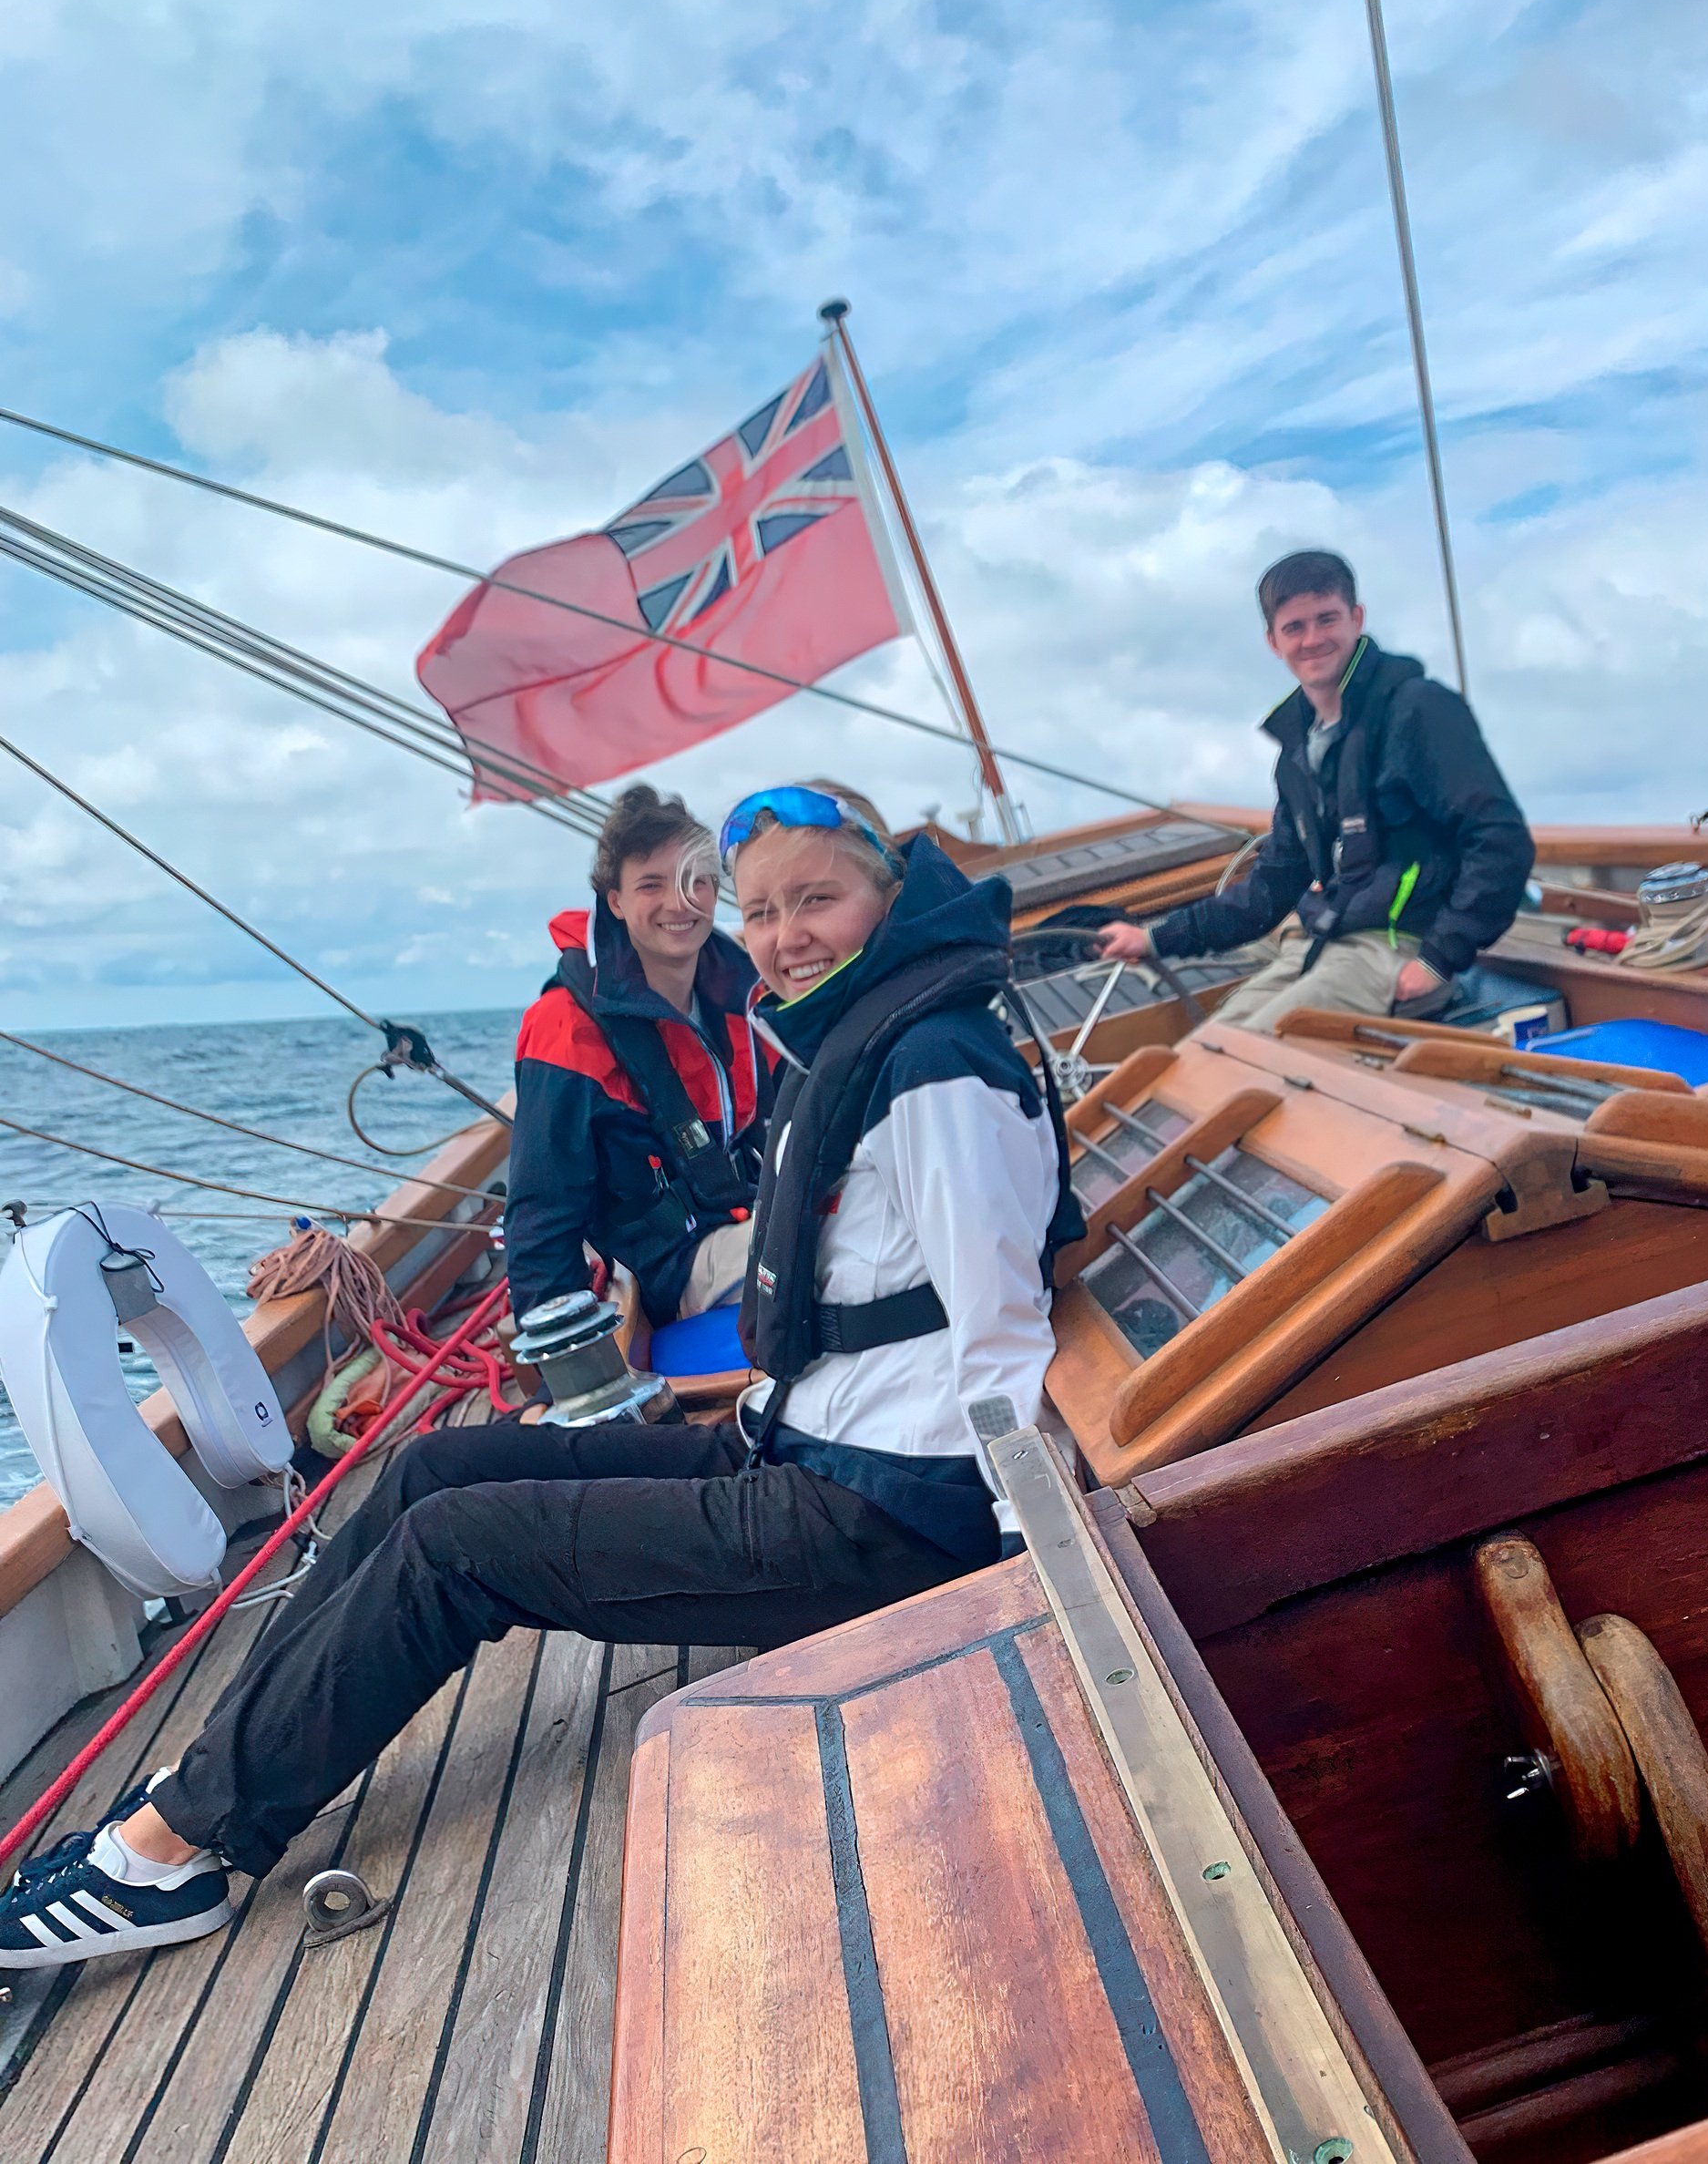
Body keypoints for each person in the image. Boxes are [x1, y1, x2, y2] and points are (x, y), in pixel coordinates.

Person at [0, 785, 1076, 1970]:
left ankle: (173, 1853)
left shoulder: (935, 1072)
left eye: (817, 898)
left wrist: (1023, 1573)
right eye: (763, 910)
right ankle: (211, 1772)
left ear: (889, 889)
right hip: (796, 1439)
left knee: (456, 1549)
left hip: (883, 1514)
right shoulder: (865, 1035)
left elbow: (1000, 1329)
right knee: (433, 1468)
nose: (782, 936)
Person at [1095, 549, 1534, 1031]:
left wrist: (1439, 959)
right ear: (1273, 641)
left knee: (1251, 1055)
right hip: (1325, 941)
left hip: (1398, 950)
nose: (1312, 640)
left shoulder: (1419, 711)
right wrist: (1154, 939)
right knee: (1205, 1048)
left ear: (1356, 619)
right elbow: (1270, 889)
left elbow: (1500, 840)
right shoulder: (1298, 753)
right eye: (1294, 627)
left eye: (1327, 619)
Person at [506, 783, 766, 1328]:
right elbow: (542, 1215)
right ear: (616, 902)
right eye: (652, 884)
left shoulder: (747, 993)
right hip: (672, 1271)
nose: (680, 902)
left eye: (696, 880)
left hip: (753, 1214)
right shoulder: (564, 1027)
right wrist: (573, 1359)